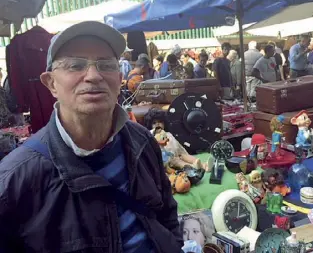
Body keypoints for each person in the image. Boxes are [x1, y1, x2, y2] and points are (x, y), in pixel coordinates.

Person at [0, 21, 183, 252]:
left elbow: (166, 214)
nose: (93, 76)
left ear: (119, 79)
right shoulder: (15, 180)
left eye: (105, 64)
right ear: (51, 83)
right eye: (75, 65)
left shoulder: (142, 141)